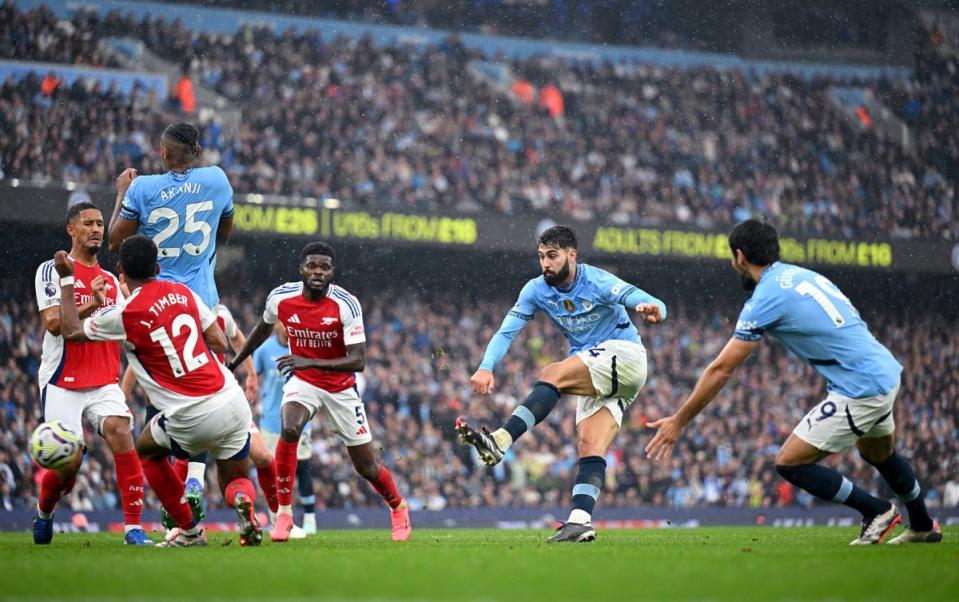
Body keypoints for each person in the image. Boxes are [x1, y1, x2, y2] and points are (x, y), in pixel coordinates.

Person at [645, 219, 941, 545]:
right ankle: (923, 523)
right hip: (884, 371)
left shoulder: (766, 297)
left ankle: (875, 510)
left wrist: (679, 421)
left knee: (789, 462)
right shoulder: (802, 275)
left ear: (740, 256)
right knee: (880, 455)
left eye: (733, 259)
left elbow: (720, 369)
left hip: (860, 387)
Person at [455, 226, 666, 543]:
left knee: (552, 373)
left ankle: (500, 440)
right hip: (600, 370)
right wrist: (485, 367)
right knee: (589, 444)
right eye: (541, 257)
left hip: (625, 356)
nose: (545, 264)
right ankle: (580, 521)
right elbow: (507, 331)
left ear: (572, 254)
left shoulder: (595, 279)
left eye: (552, 256)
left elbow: (640, 298)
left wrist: (653, 309)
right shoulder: (536, 290)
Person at [54, 236, 262, 547]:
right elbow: (219, 342)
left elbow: (69, 330)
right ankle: (244, 500)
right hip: (231, 400)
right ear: (158, 267)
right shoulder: (184, 293)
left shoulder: (124, 315)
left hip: (190, 413)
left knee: (146, 452)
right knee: (234, 481)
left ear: (121, 271)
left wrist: (67, 278)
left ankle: (190, 531)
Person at [228, 242, 412, 542]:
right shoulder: (281, 297)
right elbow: (263, 328)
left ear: (332, 273)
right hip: (304, 382)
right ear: (301, 269)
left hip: (340, 388)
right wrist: (236, 361)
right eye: (312, 266)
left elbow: (358, 361)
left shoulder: (346, 304)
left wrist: (307, 359)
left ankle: (398, 506)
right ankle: (285, 514)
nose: (317, 272)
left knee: (365, 466)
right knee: (289, 427)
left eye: (324, 267)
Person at [108, 121, 237, 511]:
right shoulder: (217, 179)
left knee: (162, 399)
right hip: (201, 303)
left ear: (163, 153)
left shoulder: (143, 187)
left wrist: (121, 195)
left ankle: (172, 503)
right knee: (201, 390)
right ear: (196, 151)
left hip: (157, 303)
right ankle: (194, 483)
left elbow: (116, 241)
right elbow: (225, 234)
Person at [33, 202, 150, 545]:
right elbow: (54, 324)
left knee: (121, 431)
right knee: (67, 467)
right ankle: (45, 511)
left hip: (103, 380)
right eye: (88, 223)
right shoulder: (51, 271)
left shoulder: (113, 282)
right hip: (62, 380)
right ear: (71, 229)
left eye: (100, 223)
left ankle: (133, 527)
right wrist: (93, 304)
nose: (97, 229)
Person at [253, 322, 316, 536]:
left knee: (303, 467)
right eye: (282, 322)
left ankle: (309, 518)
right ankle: (278, 517)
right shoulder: (264, 350)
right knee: (273, 471)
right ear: (277, 324)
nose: (286, 327)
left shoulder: (305, 346)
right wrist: (251, 389)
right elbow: (253, 374)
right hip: (271, 422)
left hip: (301, 420)